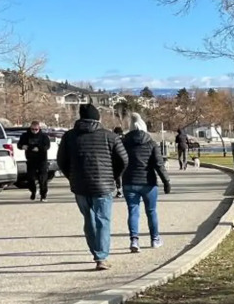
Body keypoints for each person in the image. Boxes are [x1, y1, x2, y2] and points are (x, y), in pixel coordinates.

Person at [57, 103, 127, 270]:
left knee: (89, 219)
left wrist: (72, 177)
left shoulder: (69, 137)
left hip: (80, 185)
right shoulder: (110, 136)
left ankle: (96, 253)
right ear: (98, 118)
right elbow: (123, 160)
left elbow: (61, 161)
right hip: (103, 185)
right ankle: (102, 256)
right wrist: (114, 176)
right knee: (103, 220)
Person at [120, 113, 172, 252]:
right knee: (151, 211)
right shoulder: (151, 143)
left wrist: (117, 180)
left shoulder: (124, 143)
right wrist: (166, 181)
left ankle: (134, 240)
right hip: (148, 182)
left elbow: (119, 162)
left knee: (133, 211)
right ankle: (155, 239)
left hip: (129, 181)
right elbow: (159, 164)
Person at [17, 120, 52, 201]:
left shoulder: (44, 137)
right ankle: (33, 191)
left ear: (39, 128)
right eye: (33, 129)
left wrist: (39, 148)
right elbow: (19, 144)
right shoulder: (25, 136)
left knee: (42, 179)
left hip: (42, 160)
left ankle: (43, 195)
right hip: (31, 160)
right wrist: (23, 146)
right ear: (30, 128)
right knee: (31, 178)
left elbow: (47, 146)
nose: (34, 131)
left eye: (36, 129)